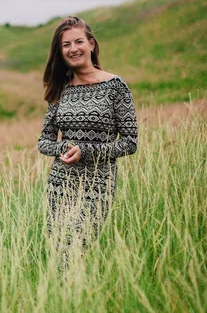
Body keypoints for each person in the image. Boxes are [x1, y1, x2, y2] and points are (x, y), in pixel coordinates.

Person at [37, 16, 138, 255]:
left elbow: (130, 142)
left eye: (78, 41)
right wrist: (64, 149)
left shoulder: (115, 86)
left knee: (78, 250)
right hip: (60, 185)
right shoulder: (61, 88)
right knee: (59, 253)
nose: (73, 49)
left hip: (97, 183)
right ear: (60, 52)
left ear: (91, 44)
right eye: (66, 45)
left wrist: (87, 152)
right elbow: (44, 141)